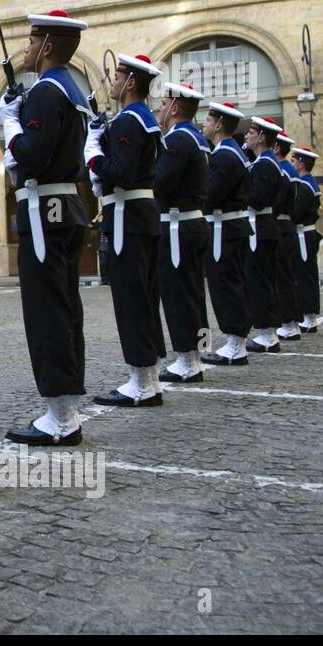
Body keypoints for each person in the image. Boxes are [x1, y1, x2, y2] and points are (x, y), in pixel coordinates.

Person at [0, 10, 91, 445]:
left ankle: (59, 414)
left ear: (48, 45)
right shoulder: (72, 90)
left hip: (45, 209)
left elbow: (30, 157)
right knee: (67, 307)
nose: (28, 48)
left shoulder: (46, 92)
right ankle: (66, 406)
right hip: (67, 205)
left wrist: (11, 123)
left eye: (32, 40)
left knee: (47, 312)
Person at [86, 53, 166, 407]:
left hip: (128, 216)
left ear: (132, 82)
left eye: (117, 76)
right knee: (144, 298)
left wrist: (93, 152)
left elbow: (119, 172)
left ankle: (141, 381)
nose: (112, 82)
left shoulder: (129, 121)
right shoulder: (146, 120)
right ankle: (148, 377)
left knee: (131, 300)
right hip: (143, 214)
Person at [152, 81, 210, 383]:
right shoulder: (198, 139)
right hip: (193, 222)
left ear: (175, 107)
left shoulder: (177, 139)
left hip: (178, 225)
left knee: (179, 293)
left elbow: (161, 182)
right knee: (194, 292)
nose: (160, 108)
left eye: (163, 103)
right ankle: (196, 353)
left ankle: (187, 359)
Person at [200, 101, 252, 366]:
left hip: (224, 228)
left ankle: (235, 343)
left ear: (219, 124)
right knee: (232, 283)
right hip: (232, 226)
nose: (204, 125)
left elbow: (210, 193)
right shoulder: (233, 153)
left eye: (208, 121)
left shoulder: (224, 155)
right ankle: (236, 340)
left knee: (225, 285)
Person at [242, 115, 285, 354]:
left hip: (260, 227)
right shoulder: (262, 162)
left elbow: (257, 200)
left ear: (261, 137)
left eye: (251, 132)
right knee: (260, 280)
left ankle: (268, 334)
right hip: (263, 226)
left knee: (260, 282)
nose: (247, 135)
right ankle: (267, 332)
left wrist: (237, 193)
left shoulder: (265, 164)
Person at [273, 133, 304, 341]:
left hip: (281, 225)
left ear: (275, 147)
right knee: (287, 278)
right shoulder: (290, 170)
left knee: (282, 279)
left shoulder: (281, 170)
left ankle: (289, 322)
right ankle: (291, 321)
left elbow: (275, 200)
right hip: (288, 225)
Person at [290, 146, 323, 332]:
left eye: (294, 161)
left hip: (304, 234)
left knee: (305, 277)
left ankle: (309, 317)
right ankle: (307, 316)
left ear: (302, 163)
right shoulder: (309, 183)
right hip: (306, 233)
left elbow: (296, 212)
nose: (292, 164)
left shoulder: (305, 185)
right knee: (305, 275)